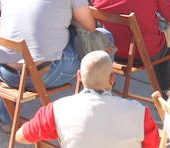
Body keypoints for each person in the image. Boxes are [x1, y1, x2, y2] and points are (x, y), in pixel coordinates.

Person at [13, 51, 160, 148]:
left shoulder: (57, 110)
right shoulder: (139, 113)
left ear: (79, 77)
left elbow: (22, 136)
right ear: (112, 78)